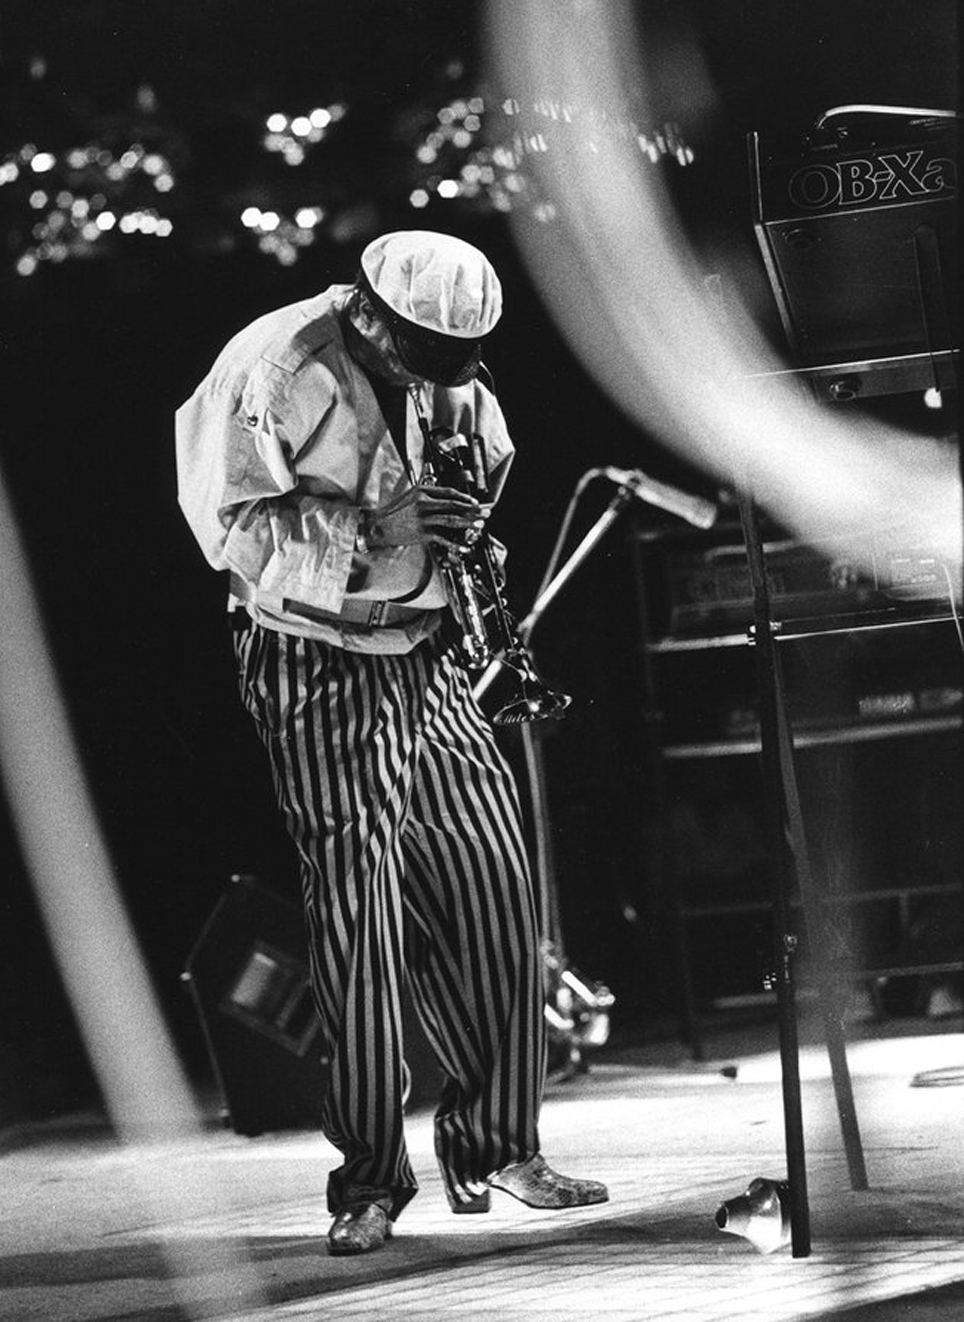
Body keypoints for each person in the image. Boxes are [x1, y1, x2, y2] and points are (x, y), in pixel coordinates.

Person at [175, 230, 608, 1255]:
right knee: (358, 910)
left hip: (425, 651)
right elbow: (227, 527)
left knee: (496, 884)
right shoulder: (276, 365)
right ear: (370, 315)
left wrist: (459, 543)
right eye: (419, 360)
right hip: (312, 656)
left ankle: (497, 1143)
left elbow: (484, 469)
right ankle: (368, 1179)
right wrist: (384, 531)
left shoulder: (455, 378)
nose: (435, 384)